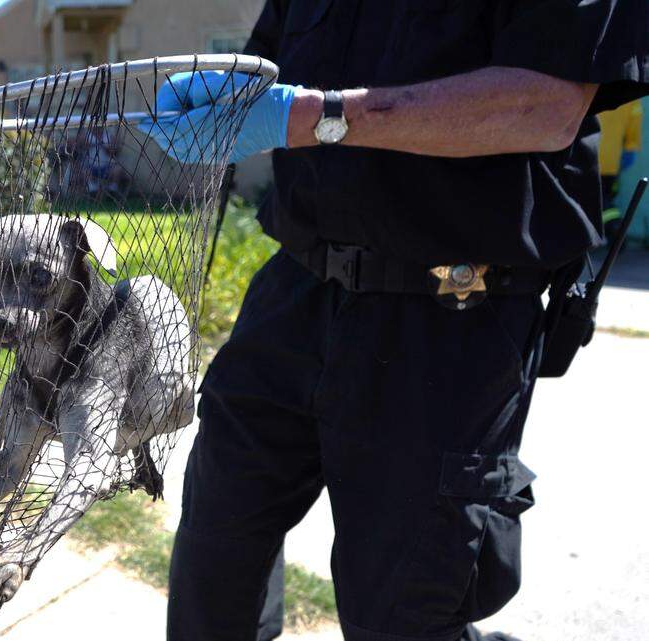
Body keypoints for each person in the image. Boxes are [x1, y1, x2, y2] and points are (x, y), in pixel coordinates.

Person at [144, 2, 649, 640]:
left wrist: (313, 117)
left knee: (403, 616)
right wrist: (223, 102)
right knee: (213, 565)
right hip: (295, 286)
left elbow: (547, 106)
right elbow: (267, 72)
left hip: (451, 314)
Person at [597, 99, 642, 241]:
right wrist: (631, 145)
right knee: (605, 198)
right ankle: (614, 230)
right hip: (611, 161)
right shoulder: (629, 92)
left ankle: (614, 230)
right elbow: (636, 116)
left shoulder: (589, 82)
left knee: (594, 201)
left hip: (585, 158)